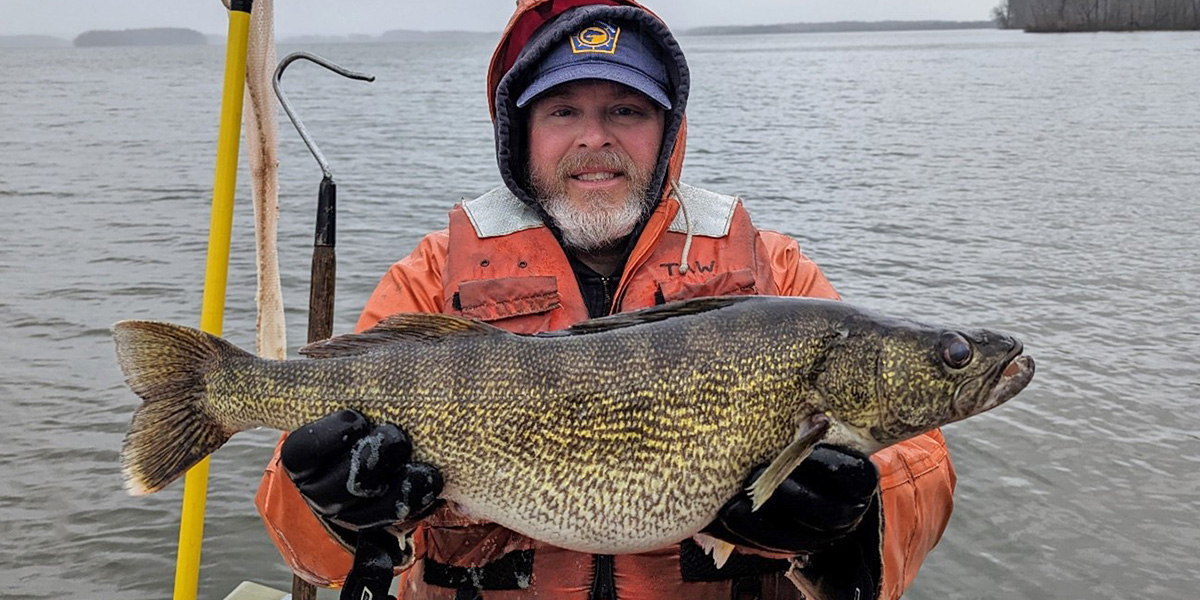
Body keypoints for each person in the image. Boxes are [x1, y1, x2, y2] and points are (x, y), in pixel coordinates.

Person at [256, 1, 956, 599]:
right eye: (564, 110)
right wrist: (332, 506)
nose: (596, 137)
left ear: (667, 130)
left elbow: (923, 467)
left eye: (626, 109)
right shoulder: (431, 278)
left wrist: (857, 514)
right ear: (521, 133)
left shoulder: (774, 272)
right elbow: (302, 546)